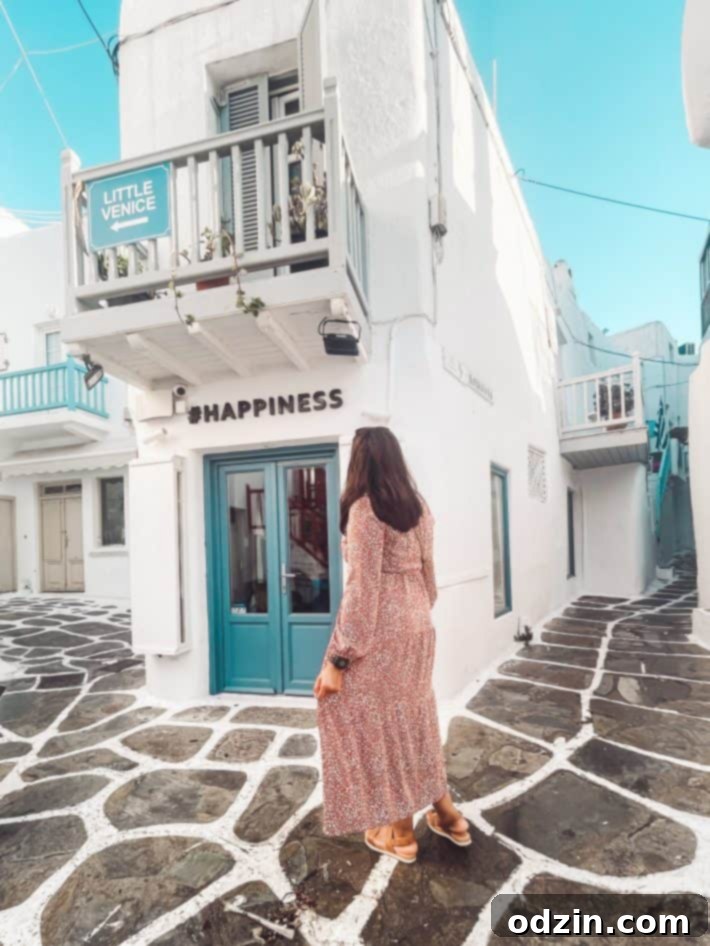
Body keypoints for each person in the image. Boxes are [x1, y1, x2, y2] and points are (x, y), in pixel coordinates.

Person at [314, 426, 471, 863]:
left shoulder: (365, 510)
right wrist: (417, 609)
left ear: (360, 462)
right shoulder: (418, 506)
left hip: (381, 627)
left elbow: (363, 591)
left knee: (368, 718)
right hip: (419, 622)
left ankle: (400, 831)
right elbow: (429, 573)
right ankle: (448, 815)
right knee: (413, 716)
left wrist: (339, 660)